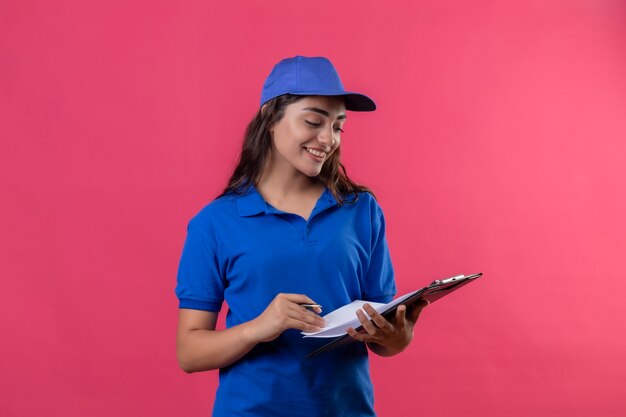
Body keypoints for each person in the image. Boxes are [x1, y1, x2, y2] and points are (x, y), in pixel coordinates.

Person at [175, 55, 428, 417]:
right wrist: (259, 328)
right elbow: (189, 351)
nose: (328, 139)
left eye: (339, 126)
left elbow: (385, 336)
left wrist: (397, 337)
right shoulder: (215, 223)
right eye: (313, 121)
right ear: (270, 118)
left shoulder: (362, 210)